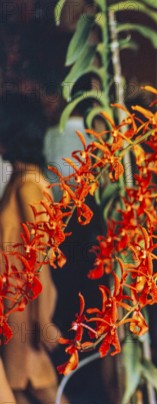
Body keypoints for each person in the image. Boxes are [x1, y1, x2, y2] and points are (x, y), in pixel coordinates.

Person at [0, 92, 62, 403]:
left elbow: (41, 261)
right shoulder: (23, 180)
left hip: (25, 309)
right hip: (16, 307)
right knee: (21, 387)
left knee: (39, 386)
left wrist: (43, 320)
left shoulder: (27, 186)